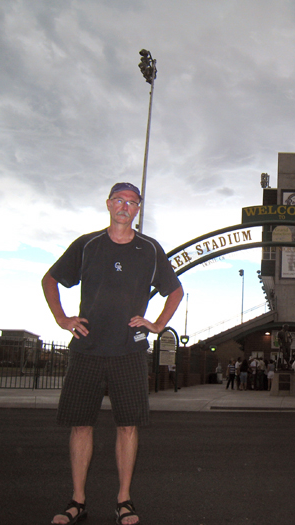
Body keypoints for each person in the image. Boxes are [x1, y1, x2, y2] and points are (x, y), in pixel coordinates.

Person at [42, 182, 183, 525]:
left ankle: (124, 501)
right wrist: (62, 319)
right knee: (80, 426)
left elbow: (175, 291)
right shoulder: (87, 244)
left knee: (128, 427)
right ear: (108, 204)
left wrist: (157, 324)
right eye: (119, 200)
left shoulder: (149, 249)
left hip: (129, 351)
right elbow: (50, 279)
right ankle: (77, 501)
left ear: (138, 210)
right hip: (88, 348)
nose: (125, 206)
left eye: (132, 202)